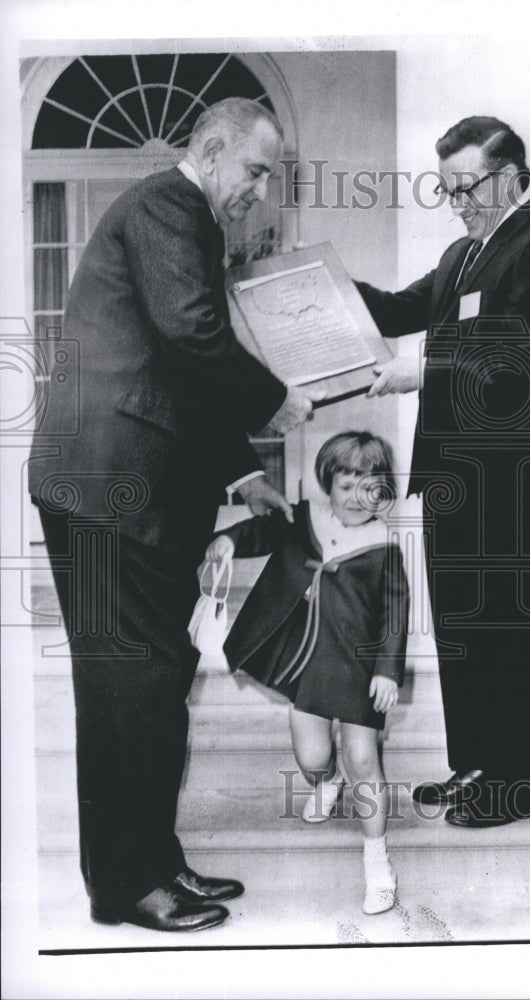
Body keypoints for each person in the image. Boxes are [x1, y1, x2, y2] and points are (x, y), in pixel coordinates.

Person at [28, 97, 322, 932]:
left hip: (118, 491)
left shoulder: (178, 216)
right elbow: (193, 337)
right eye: (256, 171)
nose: (260, 192)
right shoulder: (169, 205)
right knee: (130, 690)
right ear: (212, 148)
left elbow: (177, 369)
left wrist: (240, 472)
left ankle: (154, 863)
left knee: (151, 685)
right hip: (105, 492)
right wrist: (278, 399)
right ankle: (125, 886)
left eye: (270, 178)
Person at [358, 116, 530, 827]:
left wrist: (423, 364)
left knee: (506, 631)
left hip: (508, 483)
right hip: (453, 478)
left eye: (469, 185)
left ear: (513, 175)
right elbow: (396, 310)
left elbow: (517, 353)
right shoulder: (461, 255)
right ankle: (477, 764)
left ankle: (518, 782)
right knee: (462, 630)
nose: (458, 201)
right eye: (447, 189)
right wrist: (317, 285)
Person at [206, 432, 409, 915]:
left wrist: (388, 672)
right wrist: (228, 541)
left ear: (385, 491)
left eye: (370, 488)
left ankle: (377, 858)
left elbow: (396, 614)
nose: (357, 499)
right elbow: (261, 532)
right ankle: (327, 780)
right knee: (313, 755)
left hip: (361, 670)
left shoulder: (385, 548)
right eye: (345, 487)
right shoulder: (304, 520)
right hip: (307, 663)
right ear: (327, 486)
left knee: (365, 760)